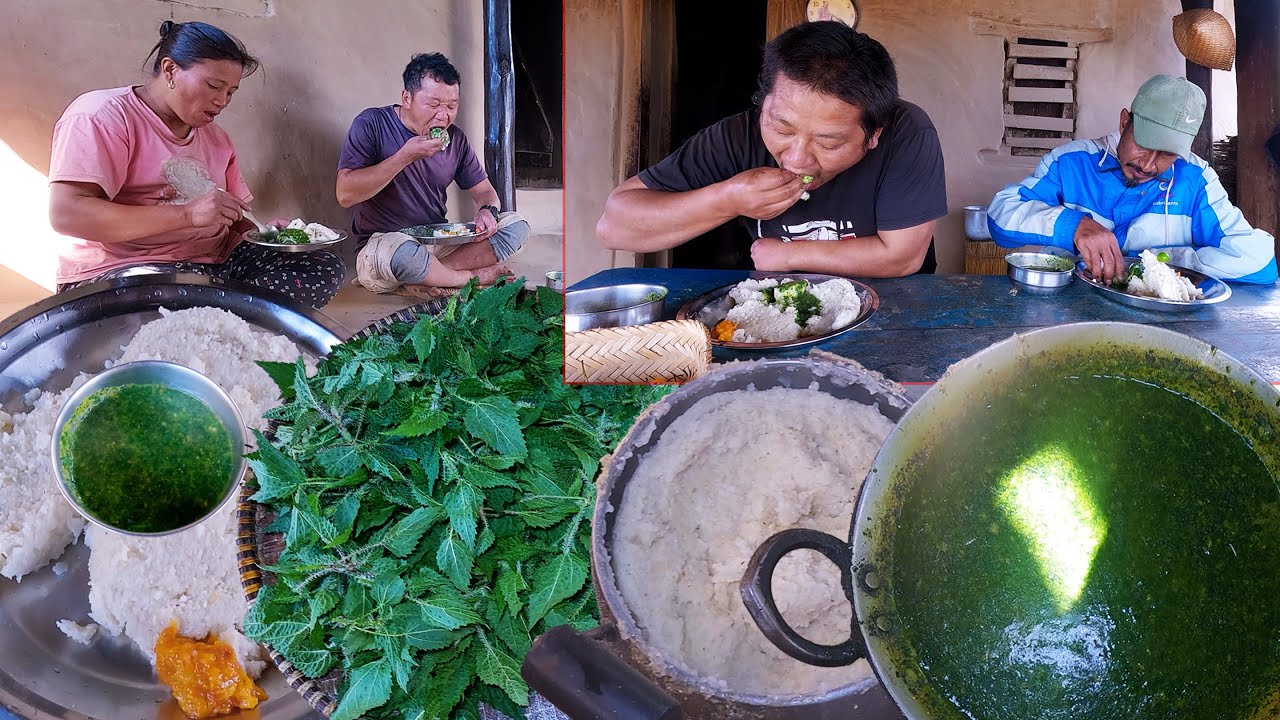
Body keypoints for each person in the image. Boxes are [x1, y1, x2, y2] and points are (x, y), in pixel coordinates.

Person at [595, 21, 947, 278]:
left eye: (829, 142)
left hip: (895, 312)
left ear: (873, 135)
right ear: (763, 106)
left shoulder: (907, 131)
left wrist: (786, 254)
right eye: (781, 128)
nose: (796, 159)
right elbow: (615, 227)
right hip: (780, 312)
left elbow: (901, 257)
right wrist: (728, 199)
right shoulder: (736, 136)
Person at [47, 21, 346, 308]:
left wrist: (267, 233)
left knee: (323, 266)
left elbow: (234, 217)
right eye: (213, 86)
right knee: (159, 295)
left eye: (230, 92)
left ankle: (212, 313)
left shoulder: (216, 138)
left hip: (211, 267)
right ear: (170, 70)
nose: (222, 101)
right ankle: (226, 314)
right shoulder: (103, 116)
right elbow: (67, 214)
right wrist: (187, 215)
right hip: (128, 271)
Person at [988, 74, 1277, 285]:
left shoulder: (1195, 180)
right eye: (1143, 144)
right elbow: (1001, 216)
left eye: (1166, 154)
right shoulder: (1071, 163)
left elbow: (1259, 262)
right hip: (1066, 315)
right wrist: (1073, 225)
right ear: (1125, 122)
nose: (1149, 165)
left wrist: (1154, 264)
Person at [336, 52, 529, 298]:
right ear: (407, 98)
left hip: (437, 244)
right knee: (405, 254)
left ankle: (431, 276)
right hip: (385, 246)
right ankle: (469, 278)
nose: (443, 115)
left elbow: (484, 192)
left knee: (516, 227)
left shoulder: (455, 139)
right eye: (434, 105)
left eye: (451, 105)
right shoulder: (371, 124)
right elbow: (344, 194)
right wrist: (404, 156)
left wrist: (487, 211)